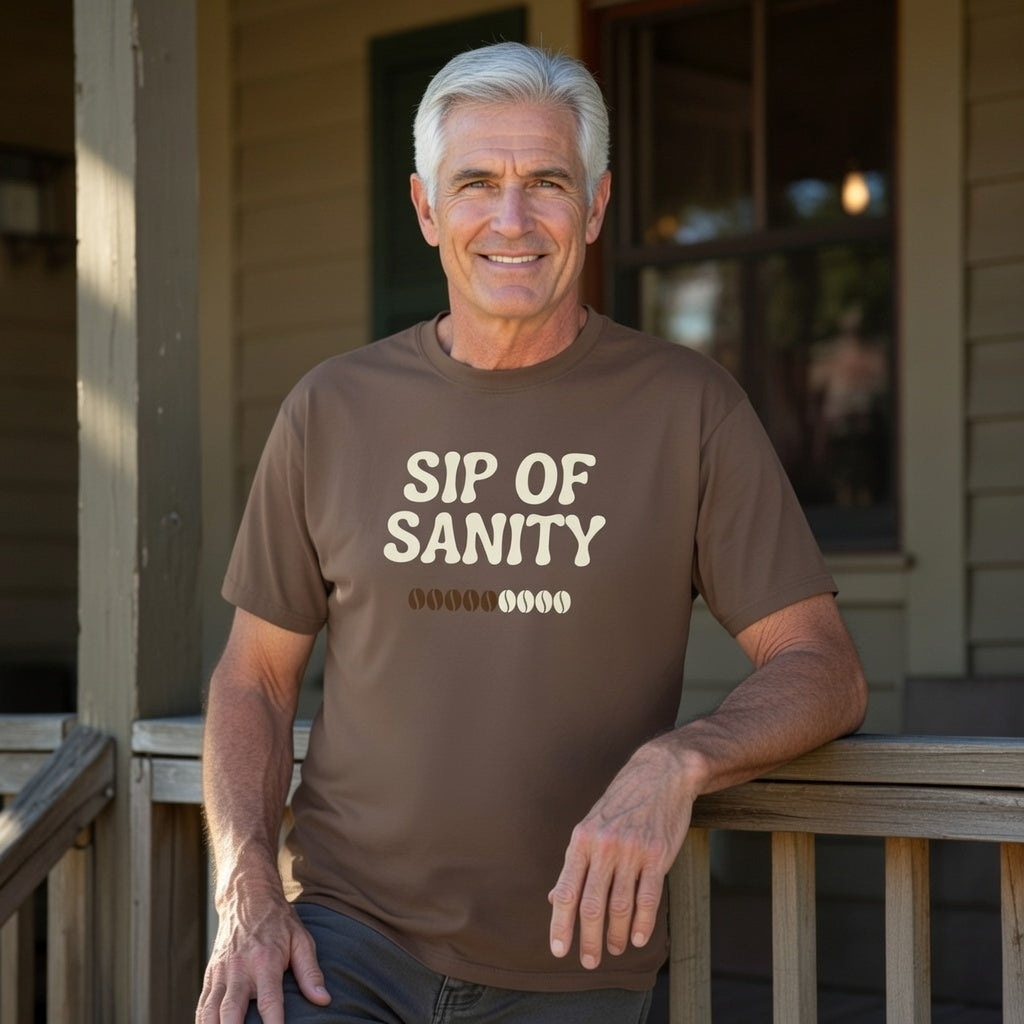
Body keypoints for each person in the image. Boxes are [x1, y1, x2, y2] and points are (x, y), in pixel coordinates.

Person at [196, 41, 867, 1024]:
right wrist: (248, 881)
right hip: (338, 949)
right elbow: (253, 674)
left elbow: (824, 665)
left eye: (546, 182)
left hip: (573, 966)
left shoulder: (687, 408)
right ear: (427, 209)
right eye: (476, 183)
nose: (510, 219)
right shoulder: (330, 409)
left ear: (594, 207)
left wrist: (677, 760)